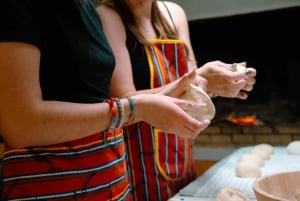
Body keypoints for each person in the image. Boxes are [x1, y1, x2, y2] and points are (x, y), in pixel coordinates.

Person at [0, 0, 212, 200]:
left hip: (111, 181)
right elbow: (20, 124)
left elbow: (95, 98)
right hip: (55, 185)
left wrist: (192, 84)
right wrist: (134, 110)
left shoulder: (86, 8)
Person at [97, 0, 256, 200]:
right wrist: (197, 76)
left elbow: (192, 85)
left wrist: (217, 83)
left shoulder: (175, 14)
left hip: (180, 147)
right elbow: (124, 100)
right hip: (138, 154)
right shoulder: (108, 16)